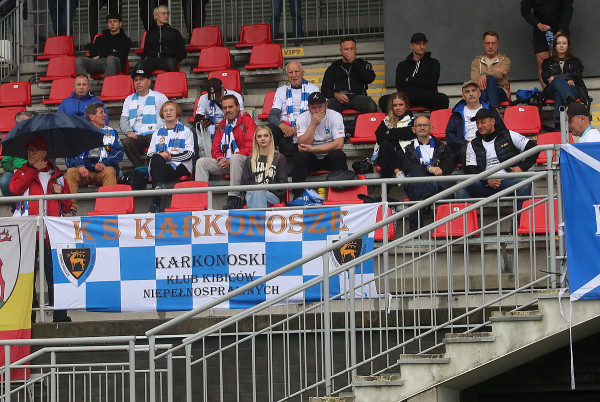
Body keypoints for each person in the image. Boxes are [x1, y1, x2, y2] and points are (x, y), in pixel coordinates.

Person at [10, 137, 72, 322]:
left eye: (34, 150)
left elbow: (67, 206)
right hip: (28, 233)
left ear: (44, 153)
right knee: (28, 277)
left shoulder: (58, 176)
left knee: (55, 276)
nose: (30, 153)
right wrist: (33, 171)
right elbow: (15, 189)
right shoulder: (22, 172)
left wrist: (62, 194)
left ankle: (59, 315)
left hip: (51, 234)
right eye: (29, 150)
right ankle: (29, 316)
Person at [456, 109, 538, 212]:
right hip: (485, 184)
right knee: (461, 184)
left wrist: (522, 167)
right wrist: (486, 180)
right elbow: (471, 169)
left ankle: (520, 220)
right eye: (477, 123)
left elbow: (534, 148)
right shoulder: (473, 144)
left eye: (483, 122)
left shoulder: (509, 135)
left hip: (509, 181)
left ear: (492, 121)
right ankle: (466, 221)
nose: (479, 126)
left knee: (525, 181)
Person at [195, 95, 255, 210]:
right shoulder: (223, 124)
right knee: (201, 162)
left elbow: (250, 147)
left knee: (236, 158)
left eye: (230, 107)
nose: (227, 110)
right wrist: (220, 159)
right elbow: (215, 149)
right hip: (227, 162)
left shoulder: (247, 121)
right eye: (224, 108)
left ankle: (234, 197)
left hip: (245, 162)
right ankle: (200, 200)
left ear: (238, 107)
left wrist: (230, 160)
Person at [64, 103, 124, 215]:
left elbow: (119, 152)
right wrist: (80, 166)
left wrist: (105, 163)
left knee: (110, 171)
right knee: (71, 172)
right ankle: (69, 210)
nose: (105, 115)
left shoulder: (112, 132)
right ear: (91, 117)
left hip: (103, 170)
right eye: (101, 112)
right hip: (83, 172)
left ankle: (109, 210)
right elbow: (70, 155)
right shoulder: (79, 133)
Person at [402, 116, 453, 231]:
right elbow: (406, 167)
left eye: (425, 125)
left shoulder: (441, 147)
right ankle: (424, 197)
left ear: (431, 127)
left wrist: (437, 170)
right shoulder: (408, 149)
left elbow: (449, 166)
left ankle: (415, 228)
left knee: (413, 184)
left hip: (435, 182)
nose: (422, 128)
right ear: (414, 129)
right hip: (417, 181)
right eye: (419, 125)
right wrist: (428, 168)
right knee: (416, 173)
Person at [291, 92, 347, 198]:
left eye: (320, 107)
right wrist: (313, 125)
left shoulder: (335, 116)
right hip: (311, 159)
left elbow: (339, 144)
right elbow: (303, 144)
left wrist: (314, 149)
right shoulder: (302, 118)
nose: (317, 111)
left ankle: (341, 195)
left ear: (326, 105)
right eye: (314, 108)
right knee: (299, 157)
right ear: (309, 107)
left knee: (339, 155)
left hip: (328, 156)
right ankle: (297, 196)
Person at [321, 37, 377, 134]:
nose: (349, 52)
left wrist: (354, 62)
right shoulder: (333, 68)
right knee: (325, 108)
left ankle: (349, 129)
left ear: (356, 50)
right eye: (346, 49)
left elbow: (370, 79)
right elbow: (324, 89)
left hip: (358, 96)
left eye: (352, 49)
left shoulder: (364, 64)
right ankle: (341, 129)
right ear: (341, 51)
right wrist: (336, 95)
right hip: (339, 98)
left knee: (371, 105)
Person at [147, 101, 194, 213]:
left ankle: (155, 204)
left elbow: (189, 154)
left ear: (177, 112)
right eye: (165, 111)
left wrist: (170, 158)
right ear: (162, 114)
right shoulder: (157, 133)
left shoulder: (186, 131)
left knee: (157, 169)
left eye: (171, 110)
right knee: (156, 158)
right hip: (161, 166)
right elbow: (149, 154)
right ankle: (160, 187)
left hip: (181, 166)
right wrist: (161, 156)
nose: (168, 113)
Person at [446, 81, 506, 164]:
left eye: (473, 90)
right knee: (466, 151)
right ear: (463, 96)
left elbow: (502, 130)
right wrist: (466, 143)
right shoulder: (457, 114)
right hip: (467, 147)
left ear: (479, 93)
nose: (471, 94)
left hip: (489, 143)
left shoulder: (490, 110)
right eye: (467, 92)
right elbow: (450, 137)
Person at [268, 61, 319, 157]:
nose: (294, 75)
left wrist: (298, 127)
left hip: (305, 129)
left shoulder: (313, 89)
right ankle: (271, 160)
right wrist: (283, 127)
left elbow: (316, 113)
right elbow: (272, 115)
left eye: (297, 71)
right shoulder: (281, 91)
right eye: (290, 72)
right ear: (287, 75)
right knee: (268, 129)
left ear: (302, 73)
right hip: (285, 131)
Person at [120, 69, 169, 168]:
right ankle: (141, 168)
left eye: (141, 79)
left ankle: (155, 169)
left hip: (156, 134)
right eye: (136, 80)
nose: (138, 82)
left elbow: (170, 115)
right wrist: (128, 131)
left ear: (149, 82)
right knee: (126, 142)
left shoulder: (160, 97)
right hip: (137, 135)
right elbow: (124, 119)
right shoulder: (129, 99)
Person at [390, 33, 449, 112]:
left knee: (443, 99)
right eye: (418, 44)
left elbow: (432, 83)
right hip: (407, 98)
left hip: (427, 97)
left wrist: (410, 80)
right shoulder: (402, 65)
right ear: (411, 46)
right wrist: (422, 81)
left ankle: (435, 120)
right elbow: (400, 86)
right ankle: (401, 119)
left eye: (423, 44)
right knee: (384, 100)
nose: (422, 46)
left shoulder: (434, 63)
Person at [520, 0, 573, 87]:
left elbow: (568, 9)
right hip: (541, 29)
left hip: (560, 27)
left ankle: (564, 90)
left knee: (563, 61)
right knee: (542, 62)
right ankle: (546, 92)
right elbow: (525, 9)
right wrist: (538, 24)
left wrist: (561, 30)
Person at [541, 33, 589, 129]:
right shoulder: (547, 62)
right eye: (558, 43)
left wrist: (557, 77)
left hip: (572, 89)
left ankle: (558, 124)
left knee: (559, 93)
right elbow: (546, 78)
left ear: (568, 46)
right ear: (555, 46)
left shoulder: (575, 61)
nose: (561, 46)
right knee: (557, 81)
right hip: (552, 89)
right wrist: (565, 80)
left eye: (564, 43)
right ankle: (570, 101)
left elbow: (578, 76)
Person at [241, 126, 288, 208]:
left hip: (272, 195)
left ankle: (256, 216)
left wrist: (264, 188)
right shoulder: (249, 160)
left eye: (266, 136)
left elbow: (282, 184)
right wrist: (260, 188)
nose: (263, 138)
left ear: (271, 138)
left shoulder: (279, 158)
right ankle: (261, 216)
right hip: (252, 193)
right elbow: (245, 183)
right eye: (259, 136)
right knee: (257, 192)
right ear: (256, 140)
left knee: (257, 192)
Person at [75, 13, 131, 78]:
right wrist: (111, 51)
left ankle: (107, 84)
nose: (112, 24)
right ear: (107, 24)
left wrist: (100, 55)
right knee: (79, 60)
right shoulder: (100, 38)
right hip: (98, 62)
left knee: (110, 58)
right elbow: (93, 52)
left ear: (120, 24)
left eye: (115, 21)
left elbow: (122, 56)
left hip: (115, 64)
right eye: (110, 22)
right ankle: (82, 83)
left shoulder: (126, 40)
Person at [134, 5, 186, 73]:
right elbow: (145, 51)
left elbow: (182, 52)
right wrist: (145, 57)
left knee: (171, 63)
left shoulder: (174, 32)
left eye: (167, 13)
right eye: (163, 13)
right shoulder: (150, 33)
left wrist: (175, 60)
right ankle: (143, 80)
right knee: (139, 66)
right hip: (152, 60)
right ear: (156, 16)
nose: (166, 16)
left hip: (168, 59)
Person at [374, 92, 414, 179]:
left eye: (401, 105)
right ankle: (397, 173)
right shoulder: (385, 122)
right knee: (385, 145)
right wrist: (400, 134)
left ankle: (387, 186)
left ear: (406, 106)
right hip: (389, 153)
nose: (398, 108)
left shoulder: (412, 121)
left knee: (387, 157)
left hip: (406, 154)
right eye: (395, 105)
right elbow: (380, 138)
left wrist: (391, 132)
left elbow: (410, 133)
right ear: (391, 107)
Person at [0, 111, 34, 212]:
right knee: (5, 181)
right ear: (20, 124)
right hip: (17, 171)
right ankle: (17, 210)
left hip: (35, 169)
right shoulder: (11, 139)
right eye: (28, 122)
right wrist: (14, 170)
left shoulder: (37, 136)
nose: (32, 123)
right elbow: (5, 162)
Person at [470, 31, 511, 108]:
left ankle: (487, 110)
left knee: (490, 79)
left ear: (498, 44)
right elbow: (475, 80)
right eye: (487, 43)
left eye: (493, 43)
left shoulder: (505, 60)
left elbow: (499, 75)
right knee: (482, 91)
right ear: (483, 44)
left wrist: (484, 75)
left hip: (500, 90)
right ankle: (494, 110)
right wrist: (494, 70)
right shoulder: (476, 61)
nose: (491, 46)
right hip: (481, 90)